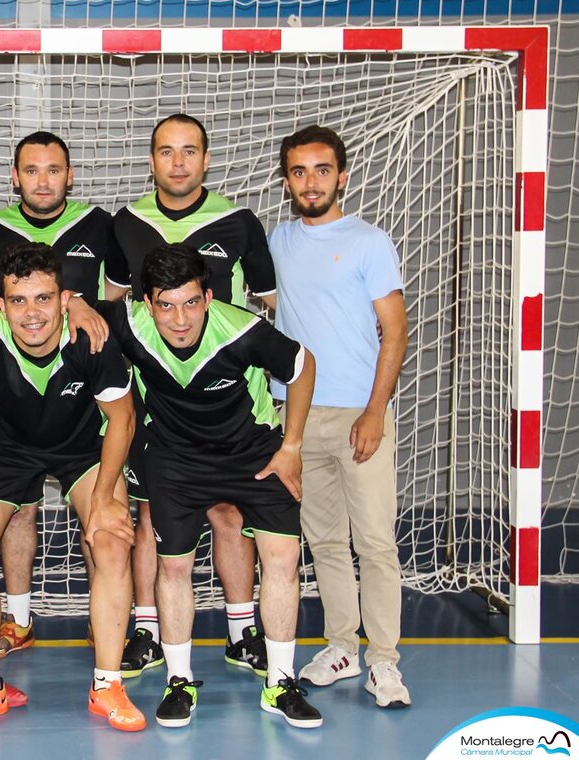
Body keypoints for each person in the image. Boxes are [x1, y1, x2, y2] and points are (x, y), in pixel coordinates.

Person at [96, 244, 322, 729]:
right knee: (174, 569)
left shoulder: (241, 330)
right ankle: (180, 681)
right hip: (176, 460)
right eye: (166, 304)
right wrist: (74, 302)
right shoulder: (129, 323)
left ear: (209, 296)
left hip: (254, 454)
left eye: (191, 302)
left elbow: (302, 365)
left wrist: (293, 446)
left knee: (283, 559)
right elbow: (77, 306)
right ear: (146, 302)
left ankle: (280, 681)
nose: (180, 319)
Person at [109, 114, 278, 679]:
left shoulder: (238, 222)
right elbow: (110, 310)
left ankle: (241, 630)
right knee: (150, 514)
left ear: (206, 159)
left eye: (188, 152)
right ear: (151, 159)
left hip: (233, 405)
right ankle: (148, 630)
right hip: (157, 407)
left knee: (232, 514)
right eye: (165, 151)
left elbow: (269, 306)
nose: (177, 163)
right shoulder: (126, 223)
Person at [0, 243, 143, 733]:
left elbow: (122, 419)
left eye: (43, 299)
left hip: (81, 450)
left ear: (64, 299)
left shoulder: (91, 340)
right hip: (8, 450)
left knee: (113, 539)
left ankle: (108, 686)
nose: (31, 313)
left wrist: (102, 500)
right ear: (0, 302)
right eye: (18, 300)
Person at [0, 131, 127, 657]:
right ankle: (17, 617)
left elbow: (119, 304)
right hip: (11, 404)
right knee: (16, 513)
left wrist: (78, 306)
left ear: (70, 174)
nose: (43, 180)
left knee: (103, 521)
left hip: (81, 398)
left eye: (53, 169)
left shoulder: (99, 225)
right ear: (15, 177)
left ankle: (101, 622)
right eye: (31, 170)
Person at [270, 125, 410, 709]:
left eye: (322, 170)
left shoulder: (369, 242)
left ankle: (384, 662)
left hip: (358, 413)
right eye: (299, 171)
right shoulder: (275, 241)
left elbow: (396, 331)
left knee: (374, 543)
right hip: (297, 418)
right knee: (323, 541)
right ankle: (342, 645)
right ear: (286, 182)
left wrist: (375, 411)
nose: (311, 181)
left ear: (342, 175)